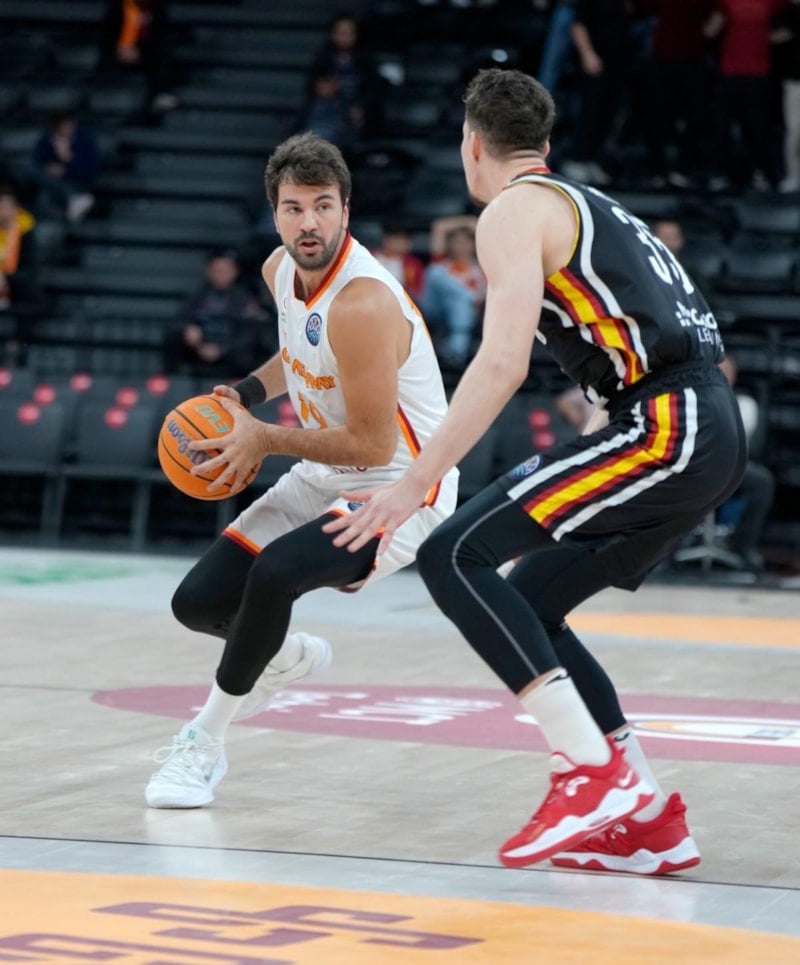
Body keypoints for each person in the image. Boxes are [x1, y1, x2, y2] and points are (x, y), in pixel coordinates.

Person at [326, 68, 747, 873]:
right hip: (698, 427)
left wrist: (414, 483)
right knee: (532, 600)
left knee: (454, 553)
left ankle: (590, 770)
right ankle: (646, 819)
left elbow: (501, 362)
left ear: (471, 145)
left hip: (668, 423)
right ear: (543, 143)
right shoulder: (593, 205)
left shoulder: (514, 209)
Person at [144, 132, 459, 809]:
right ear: (275, 213)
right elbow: (299, 352)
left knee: (274, 574)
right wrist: (247, 396)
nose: (308, 222)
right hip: (326, 467)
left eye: (322, 205)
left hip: (402, 485)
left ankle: (203, 744)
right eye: (293, 208)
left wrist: (263, 439)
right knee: (197, 603)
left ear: (346, 208)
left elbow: (372, 442)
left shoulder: (364, 302)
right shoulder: (279, 270)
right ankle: (285, 658)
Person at [164, 248, 267, 379]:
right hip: (200, 346)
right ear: (208, 271)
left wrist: (222, 350)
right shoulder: (197, 296)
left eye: (225, 271)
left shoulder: (246, 298)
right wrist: (188, 329)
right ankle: (173, 380)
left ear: (235, 272)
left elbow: (251, 332)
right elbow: (181, 319)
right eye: (217, 271)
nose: (221, 275)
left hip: (232, 349)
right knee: (174, 337)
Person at [420, 215, 486, 369]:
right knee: (434, 271)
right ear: (449, 244)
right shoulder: (442, 263)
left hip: (465, 313)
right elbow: (439, 227)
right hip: (435, 308)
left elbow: (484, 295)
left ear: (473, 244)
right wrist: (467, 222)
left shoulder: (480, 268)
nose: (460, 246)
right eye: (456, 242)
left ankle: (456, 354)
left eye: (465, 242)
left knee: (459, 304)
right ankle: (467, 296)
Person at [30, 111, 99, 223]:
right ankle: (71, 202)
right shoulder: (46, 140)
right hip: (51, 183)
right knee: (42, 196)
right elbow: (38, 161)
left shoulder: (85, 141)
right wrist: (50, 168)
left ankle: (72, 200)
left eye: (68, 125)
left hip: (77, 182)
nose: (67, 129)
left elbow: (88, 170)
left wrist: (68, 161)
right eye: (62, 126)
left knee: (46, 196)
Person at [371, 224, 425, 302]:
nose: (403, 243)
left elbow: (417, 291)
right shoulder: (370, 256)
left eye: (406, 239)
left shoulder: (414, 264)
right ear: (387, 239)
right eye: (399, 239)